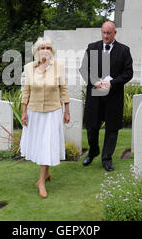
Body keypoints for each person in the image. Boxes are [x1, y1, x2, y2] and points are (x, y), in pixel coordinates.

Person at [79, 21, 133, 171]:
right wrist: (94, 81)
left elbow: (128, 73)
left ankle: (106, 158)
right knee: (91, 127)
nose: (106, 36)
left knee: (112, 128)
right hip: (95, 94)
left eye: (109, 33)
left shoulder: (124, 50)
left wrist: (113, 83)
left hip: (113, 95)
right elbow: (83, 70)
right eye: (104, 32)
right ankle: (93, 151)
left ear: (115, 33)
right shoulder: (92, 47)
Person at [20, 36, 70, 198]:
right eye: (42, 47)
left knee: (47, 144)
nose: (45, 50)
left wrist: (67, 110)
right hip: (34, 112)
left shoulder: (59, 66)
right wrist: (24, 111)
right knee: (41, 144)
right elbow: (26, 91)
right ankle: (46, 173)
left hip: (53, 111)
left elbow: (63, 89)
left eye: (48, 48)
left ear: (52, 51)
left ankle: (41, 181)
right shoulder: (29, 68)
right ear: (36, 51)